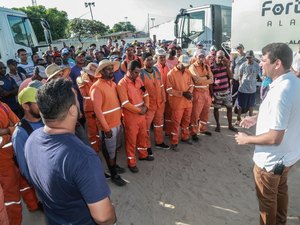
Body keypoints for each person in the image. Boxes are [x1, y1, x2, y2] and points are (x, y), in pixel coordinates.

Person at [25, 78, 116, 224]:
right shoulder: (83, 157)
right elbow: (104, 217)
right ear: (72, 109)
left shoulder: (31, 139)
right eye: (76, 98)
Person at [235, 42, 300, 225]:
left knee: (267, 201)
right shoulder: (294, 82)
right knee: (281, 191)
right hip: (288, 157)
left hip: (270, 162)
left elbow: (274, 138)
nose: (261, 64)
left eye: (263, 60)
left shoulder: (281, 91)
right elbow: (289, 112)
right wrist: (256, 117)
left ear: (277, 63)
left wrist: (246, 139)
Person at [90, 59, 126, 186]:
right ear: (102, 71)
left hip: (117, 122)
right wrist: (106, 129)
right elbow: (97, 111)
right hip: (108, 127)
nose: (111, 71)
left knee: (114, 148)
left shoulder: (113, 84)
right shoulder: (96, 87)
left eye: (112, 69)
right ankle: (114, 174)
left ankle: (114, 166)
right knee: (109, 150)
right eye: (108, 69)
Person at [117, 60, 154, 173]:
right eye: (136, 72)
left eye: (139, 72)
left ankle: (143, 154)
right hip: (130, 117)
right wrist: (140, 110)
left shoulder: (138, 80)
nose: (138, 75)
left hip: (141, 114)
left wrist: (146, 107)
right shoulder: (121, 84)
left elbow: (145, 94)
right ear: (129, 71)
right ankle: (131, 162)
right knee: (131, 140)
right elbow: (125, 103)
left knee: (143, 135)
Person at [12, 87, 42, 212]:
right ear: (25, 106)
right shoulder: (20, 133)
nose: (41, 105)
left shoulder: (48, 120)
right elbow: (24, 167)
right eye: (37, 102)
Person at [140, 52, 169, 153]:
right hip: (149, 105)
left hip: (159, 103)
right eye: (148, 59)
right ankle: (146, 145)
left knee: (159, 124)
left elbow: (161, 86)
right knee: (146, 127)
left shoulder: (156, 70)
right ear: (143, 61)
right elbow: (140, 92)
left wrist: (163, 100)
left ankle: (159, 142)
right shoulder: (141, 74)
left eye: (151, 59)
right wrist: (144, 105)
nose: (150, 61)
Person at [0, 100, 21, 225]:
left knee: (22, 185)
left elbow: (18, 123)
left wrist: (7, 130)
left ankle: (33, 205)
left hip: (13, 155)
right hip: (3, 163)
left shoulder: (3, 105)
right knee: (11, 197)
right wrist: (10, 130)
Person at [166, 55, 194, 151]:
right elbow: (169, 90)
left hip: (187, 102)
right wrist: (182, 93)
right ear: (178, 62)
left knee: (186, 120)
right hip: (177, 103)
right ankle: (174, 142)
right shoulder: (171, 74)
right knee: (176, 123)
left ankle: (185, 137)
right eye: (183, 65)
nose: (185, 67)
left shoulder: (187, 72)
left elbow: (191, 84)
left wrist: (189, 92)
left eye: (186, 66)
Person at [189, 49, 213, 141]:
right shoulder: (192, 67)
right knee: (195, 114)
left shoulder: (207, 66)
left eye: (203, 56)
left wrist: (203, 78)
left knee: (205, 112)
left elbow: (212, 80)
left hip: (206, 93)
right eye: (200, 56)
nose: (202, 58)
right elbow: (196, 80)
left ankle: (202, 129)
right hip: (197, 93)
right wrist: (206, 78)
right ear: (195, 57)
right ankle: (193, 132)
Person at [210, 50, 238, 133]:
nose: (220, 59)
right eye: (219, 57)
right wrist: (212, 95)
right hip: (217, 93)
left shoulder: (225, 66)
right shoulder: (212, 68)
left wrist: (227, 66)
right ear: (215, 58)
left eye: (222, 57)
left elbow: (231, 76)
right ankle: (218, 125)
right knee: (216, 109)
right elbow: (210, 83)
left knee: (229, 108)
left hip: (226, 92)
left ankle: (230, 125)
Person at [236, 50, 260, 123]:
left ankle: (249, 119)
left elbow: (257, 75)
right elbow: (240, 75)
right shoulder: (243, 65)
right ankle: (238, 118)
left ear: (253, 57)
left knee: (251, 105)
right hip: (243, 88)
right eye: (247, 57)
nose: (248, 59)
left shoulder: (256, 65)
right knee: (240, 105)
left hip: (252, 89)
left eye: (250, 57)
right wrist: (240, 82)